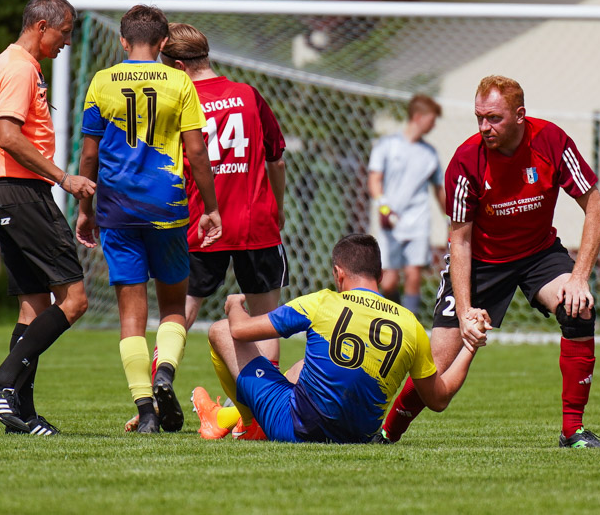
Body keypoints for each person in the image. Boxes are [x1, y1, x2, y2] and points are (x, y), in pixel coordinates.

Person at [381, 75, 600, 448]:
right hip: (481, 261)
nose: (485, 127)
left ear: (520, 115)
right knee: (436, 374)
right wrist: (468, 310)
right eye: (479, 118)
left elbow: (597, 209)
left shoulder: (551, 140)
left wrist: (579, 277)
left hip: (538, 253)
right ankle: (387, 433)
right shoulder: (466, 160)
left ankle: (573, 432)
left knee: (578, 308)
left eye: (494, 118)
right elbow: (459, 240)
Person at [125, 22, 289, 438]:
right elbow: (276, 159)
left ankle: (154, 396)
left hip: (201, 224)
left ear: (178, 65)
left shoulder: (177, 99)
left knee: (178, 313)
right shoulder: (250, 96)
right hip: (256, 223)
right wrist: (278, 210)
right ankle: (263, 416)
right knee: (266, 320)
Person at [75, 5, 222, 434]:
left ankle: (145, 412)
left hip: (117, 210)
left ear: (123, 41)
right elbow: (196, 152)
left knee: (130, 318)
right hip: (168, 208)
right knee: (174, 307)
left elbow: (88, 154)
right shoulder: (178, 81)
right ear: (162, 44)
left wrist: (85, 210)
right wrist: (211, 209)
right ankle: (166, 374)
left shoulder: (102, 82)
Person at [201, 233, 478, 444]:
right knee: (299, 368)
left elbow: (239, 331)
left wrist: (235, 304)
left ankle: (247, 424)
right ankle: (233, 419)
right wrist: (470, 345)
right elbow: (438, 399)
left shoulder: (322, 302)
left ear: (338, 273)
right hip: (359, 436)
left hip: (298, 427)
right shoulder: (410, 324)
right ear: (380, 275)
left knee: (220, 331)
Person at [0, 0, 97, 436]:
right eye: (64, 32)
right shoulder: (21, 67)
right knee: (75, 299)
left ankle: (20, 415)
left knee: (33, 308)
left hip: (2, 194)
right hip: (24, 196)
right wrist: (64, 179)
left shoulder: (5, 64)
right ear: (42, 26)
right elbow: (7, 136)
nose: (67, 41)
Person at [367, 94, 445, 315]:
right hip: (390, 222)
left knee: (413, 275)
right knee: (388, 282)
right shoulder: (387, 146)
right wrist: (384, 207)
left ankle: (410, 323)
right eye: (432, 119)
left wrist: (450, 218)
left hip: (418, 222)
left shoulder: (429, 153)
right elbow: (374, 180)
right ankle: (393, 319)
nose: (434, 124)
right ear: (418, 117)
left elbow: (439, 189)